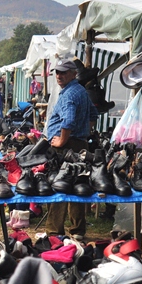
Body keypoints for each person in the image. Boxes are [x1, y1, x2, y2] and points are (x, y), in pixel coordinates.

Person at [44, 58, 100, 239]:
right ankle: (77, 231)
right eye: (57, 72)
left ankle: (55, 232)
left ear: (73, 74)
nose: (59, 76)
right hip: (80, 144)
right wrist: (83, 132)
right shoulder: (81, 90)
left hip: (66, 146)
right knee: (78, 185)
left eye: (64, 72)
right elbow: (93, 114)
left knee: (60, 186)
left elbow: (68, 120)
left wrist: (62, 140)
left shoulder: (69, 95)